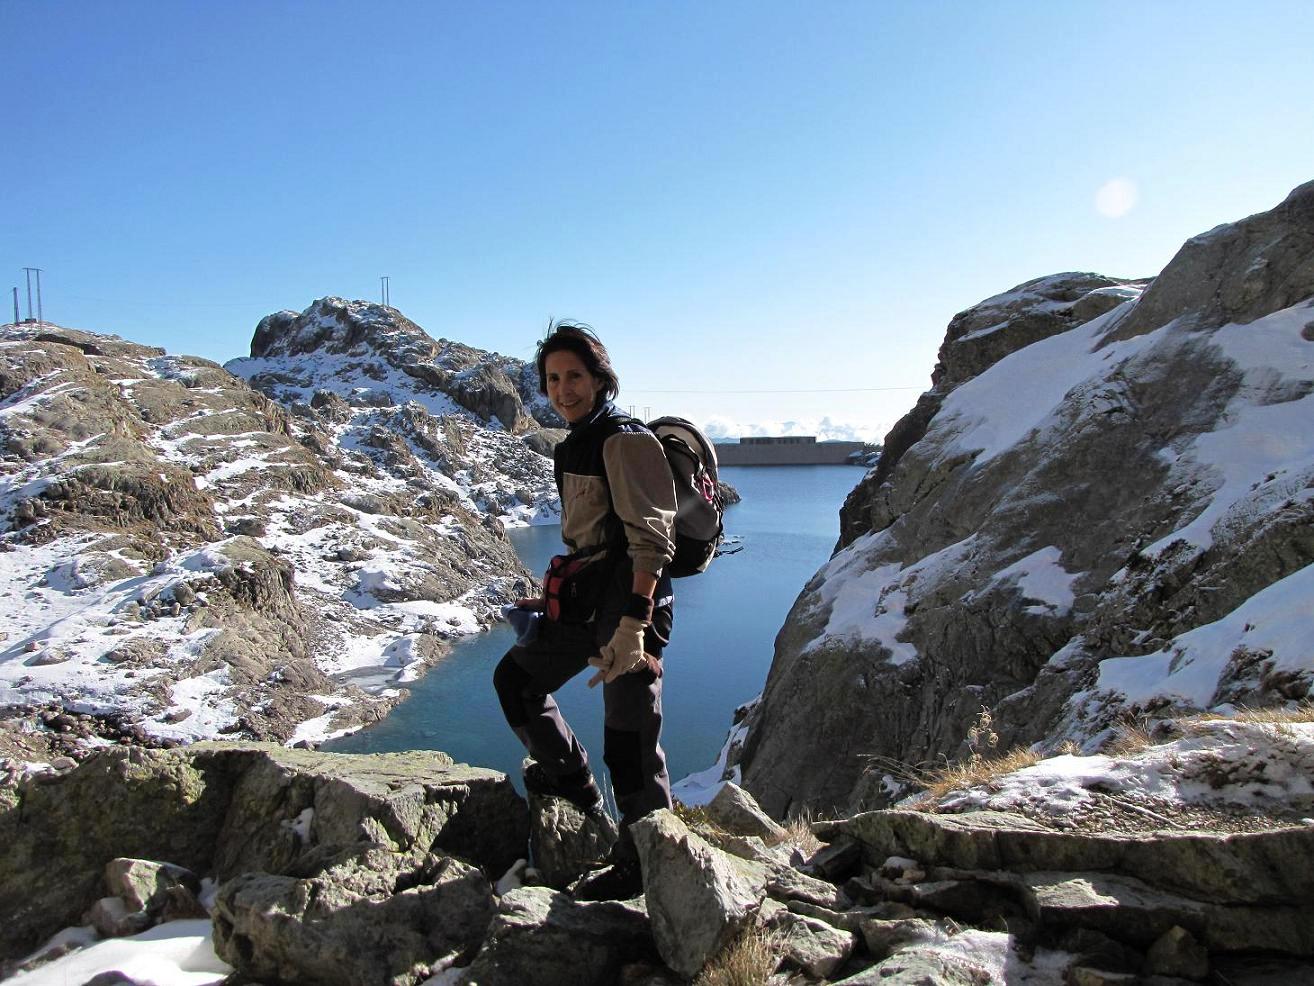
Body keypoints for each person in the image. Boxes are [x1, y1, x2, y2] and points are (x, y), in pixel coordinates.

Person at [493, 320, 677, 898]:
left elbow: (651, 543)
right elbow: (590, 540)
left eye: (574, 375)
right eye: (552, 379)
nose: (563, 388)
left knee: (629, 743)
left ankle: (652, 867)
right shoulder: (574, 440)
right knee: (516, 682)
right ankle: (577, 791)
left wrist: (634, 627)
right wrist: (551, 597)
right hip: (586, 601)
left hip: (631, 608)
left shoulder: (623, 440)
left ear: (600, 379)